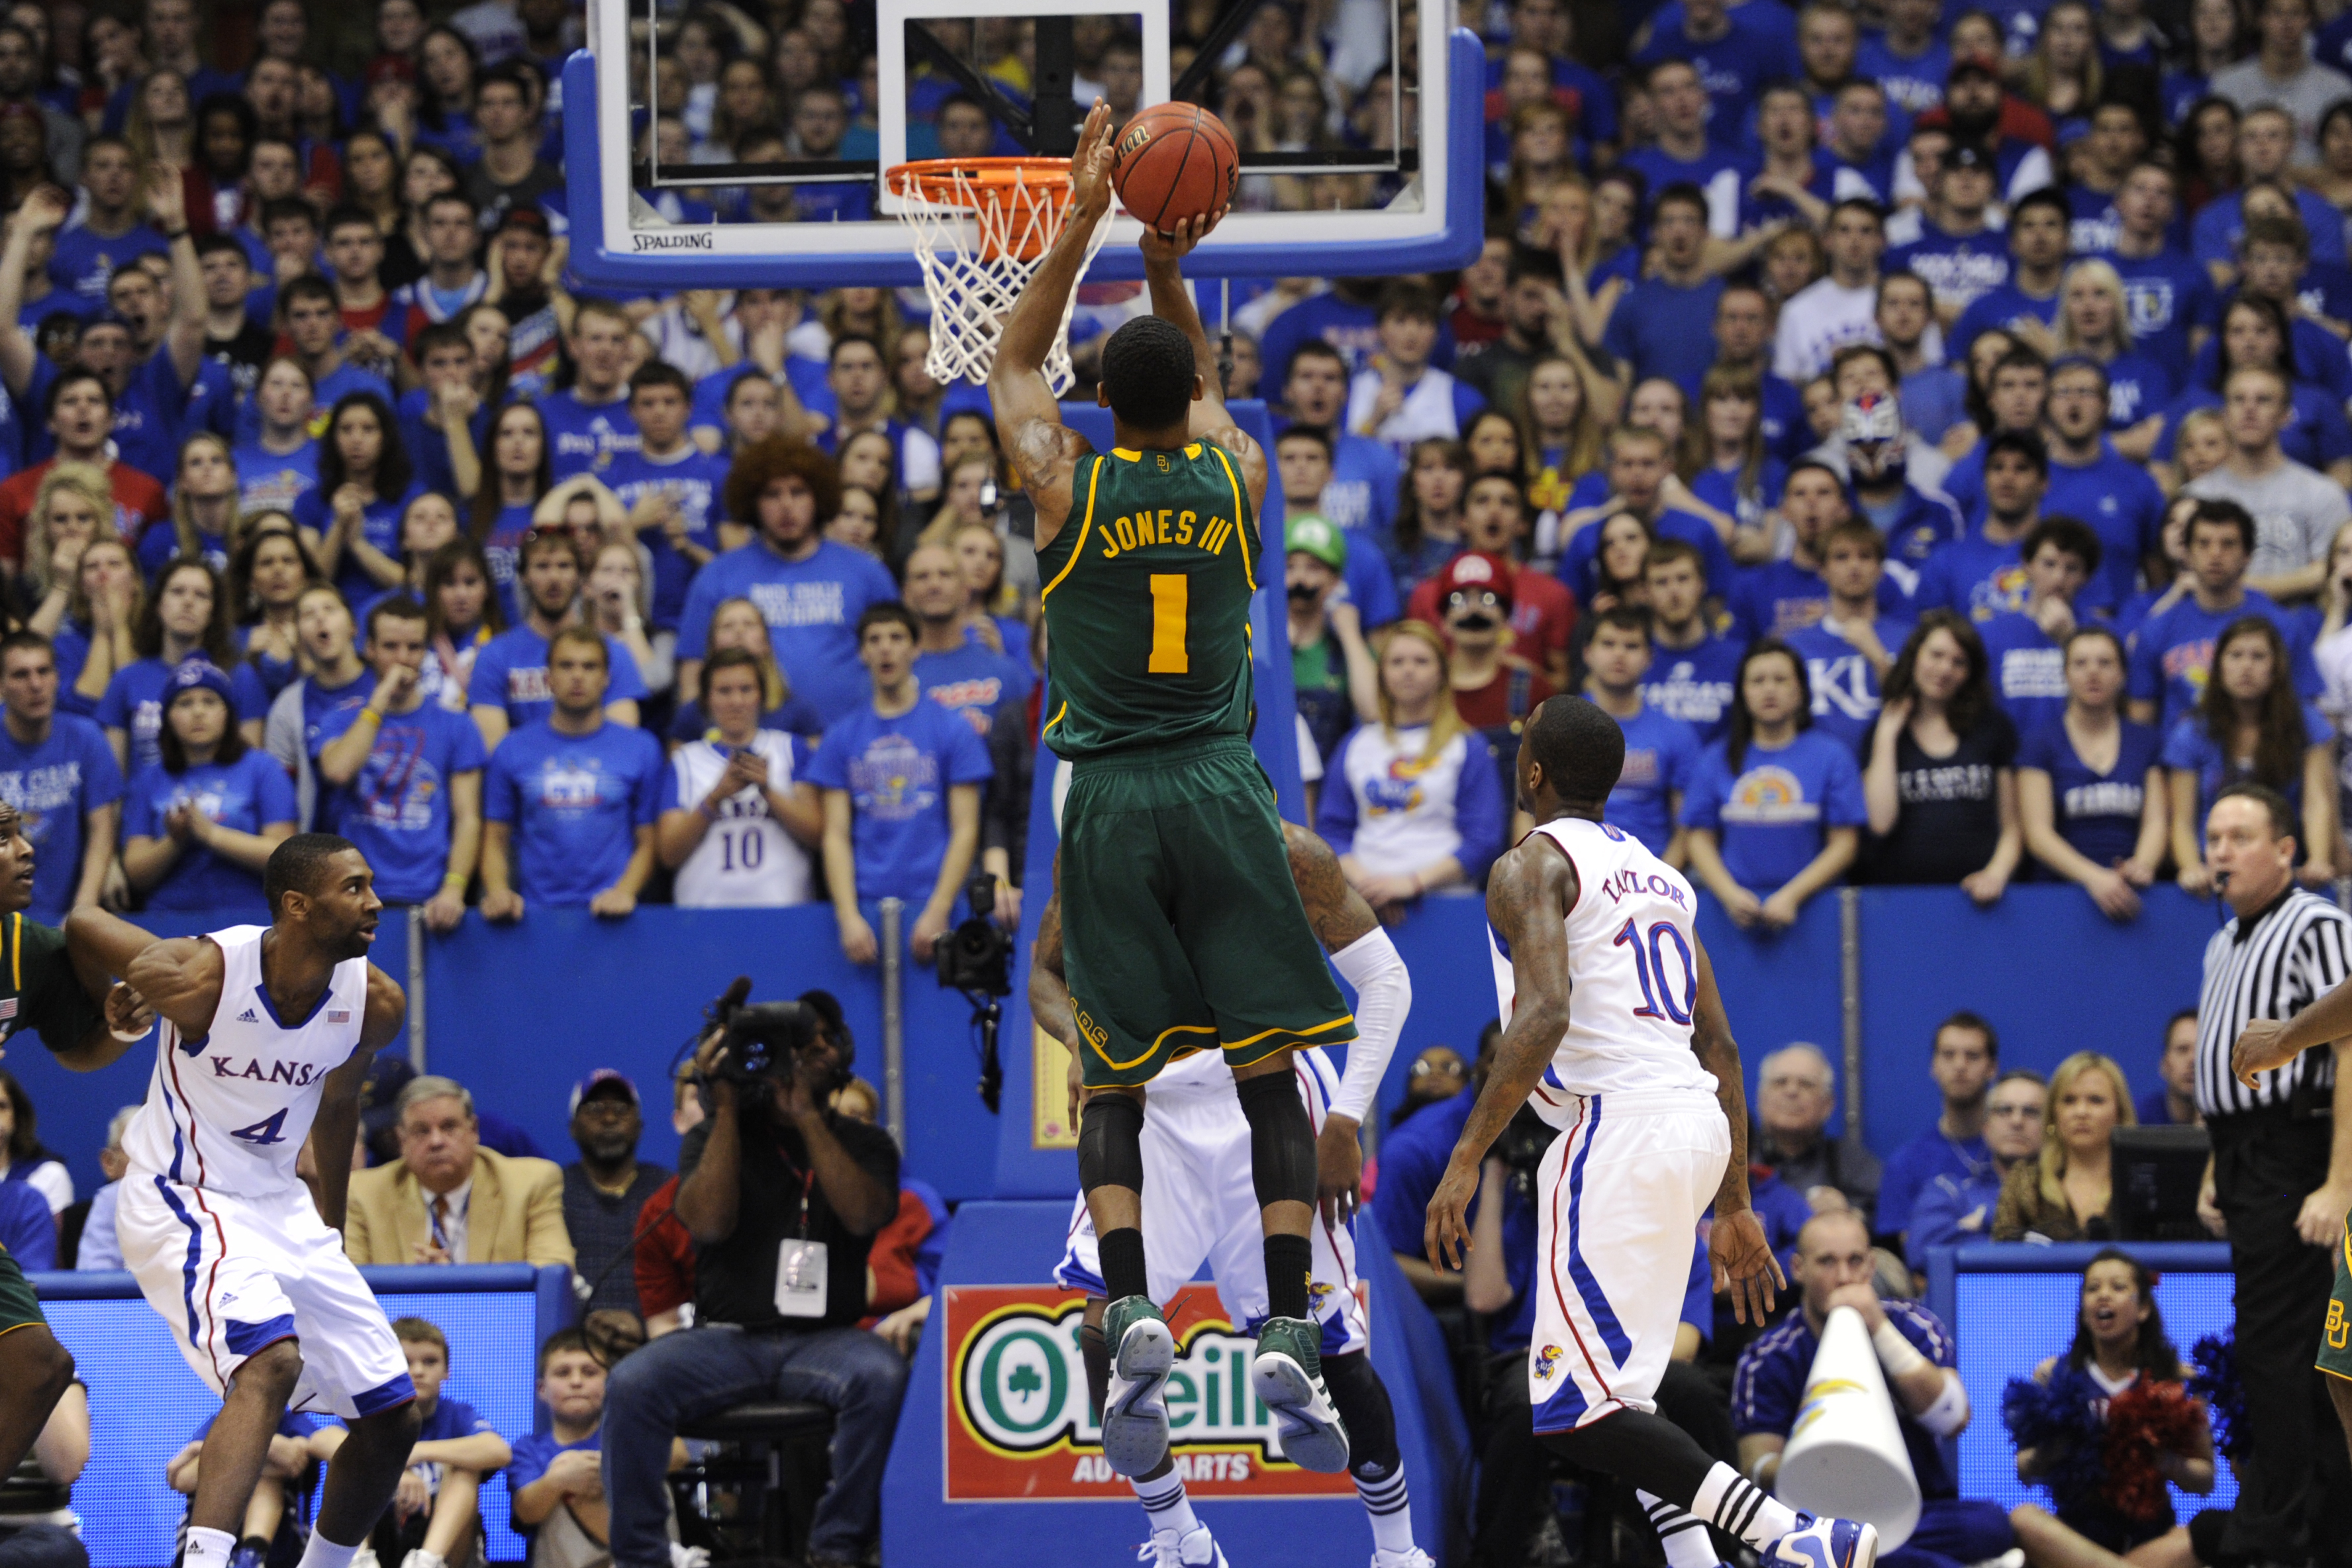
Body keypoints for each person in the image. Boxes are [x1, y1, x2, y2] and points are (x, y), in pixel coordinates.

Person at [986, 105, 1373, 1482]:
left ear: (1100, 405)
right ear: (1195, 401)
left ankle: (1132, 1296)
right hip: (1220, 782)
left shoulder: (1064, 488)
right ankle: (1286, 1322)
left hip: (1107, 794)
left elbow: (1013, 357)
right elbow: (1196, 383)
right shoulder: (1238, 476)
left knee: (1113, 1065)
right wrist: (1165, 263)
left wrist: (1080, 218)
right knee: (1265, 1067)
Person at [1423, 695, 1876, 1568]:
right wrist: (1733, 1201)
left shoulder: (1530, 863)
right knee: (1627, 1396)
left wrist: (1467, 1156)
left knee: (1572, 1409)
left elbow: (1545, 1012)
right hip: (1692, 1125)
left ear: (1533, 772)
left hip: (1613, 1131)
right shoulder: (1664, 878)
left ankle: (1790, 1535)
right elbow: (1722, 1046)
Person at [1036, 822, 1420, 1568]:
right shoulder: (1093, 834)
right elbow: (1044, 976)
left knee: (1331, 1351)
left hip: (1269, 1096)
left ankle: (1398, 1552)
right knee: (1102, 1330)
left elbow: (1388, 979)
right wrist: (1080, 1042)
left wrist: (1346, 1120)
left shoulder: (1288, 850)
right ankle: (1179, 1534)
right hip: (1147, 1099)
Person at [107, 834, 418, 1568]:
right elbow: (89, 922)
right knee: (270, 1362)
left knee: (393, 1417)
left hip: (279, 1203)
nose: (376, 902)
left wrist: (331, 1227)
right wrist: (119, 992)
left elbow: (337, 1108)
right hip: (184, 1190)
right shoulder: (210, 972)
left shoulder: (374, 1002)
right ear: (297, 905)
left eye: (372, 885)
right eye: (354, 887)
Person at [600, 987, 905, 1568]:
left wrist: (808, 1118)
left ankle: (836, 1547)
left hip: (827, 1340)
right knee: (632, 1384)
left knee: (883, 1376)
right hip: (727, 1340)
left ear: (841, 1054)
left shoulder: (865, 1142)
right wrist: (726, 1109)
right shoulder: (714, 1137)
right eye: (795, 1048)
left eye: (818, 1046)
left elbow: (864, 1215)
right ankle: (640, 1558)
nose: (803, 1059)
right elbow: (708, 1223)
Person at [2207, 782, 2352, 1555]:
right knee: (2280, 1349)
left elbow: (2350, 1044)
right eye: (2212, 838)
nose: (2220, 852)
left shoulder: (2315, 923)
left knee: (2294, 1351)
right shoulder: (2222, 941)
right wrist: (2215, 1161)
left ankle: (2285, 1533)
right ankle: (2305, 1528)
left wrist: (2340, 1181)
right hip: (2243, 1149)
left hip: (2299, 1150)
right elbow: (2225, 1069)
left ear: (2288, 849)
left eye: (2240, 836)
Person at [0, 808, 155, 1521]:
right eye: (2, 838)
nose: (25, 849)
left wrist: (121, 1027)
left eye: (20, 832)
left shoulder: (24, 948)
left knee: (41, 1367)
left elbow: (79, 1048)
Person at [1735, 1210, 2014, 1568]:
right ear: (1798, 1269)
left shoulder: (1913, 1326)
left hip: (1912, 1511)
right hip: (1815, 1518)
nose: (1843, 1277)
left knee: (1990, 1525)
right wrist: (1831, 1464)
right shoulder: (1768, 1357)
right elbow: (1756, 1467)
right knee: (1780, 1540)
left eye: (1855, 1261)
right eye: (1827, 1262)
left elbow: (1954, 1419)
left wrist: (1879, 1328)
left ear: (1870, 1266)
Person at [803, 603, 989, 964]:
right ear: (863, 653)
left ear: (915, 648)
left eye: (896, 638)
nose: (885, 648)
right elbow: (835, 835)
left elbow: (966, 828)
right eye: (874, 640)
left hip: (937, 903)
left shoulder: (953, 729)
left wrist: (939, 908)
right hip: (865, 907)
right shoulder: (841, 736)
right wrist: (847, 916)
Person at [675, 438, 897, 726]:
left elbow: (900, 657)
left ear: (819, 497)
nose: (787, 506)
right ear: (753, 501)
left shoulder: (867, 572)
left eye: (798, 492)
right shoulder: (718, 576)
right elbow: (693, 672)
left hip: (852, 736)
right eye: (772, 494)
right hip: (748, 740)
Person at [311, 599, 485, 933]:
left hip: (428, 896)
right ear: (370, 649)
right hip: (353, 897)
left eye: (414, 647)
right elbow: (338, 770)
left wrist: (454, 888)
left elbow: (468, 819)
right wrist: (380, 699)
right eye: (391, 646)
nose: (403, 658)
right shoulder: (340, 719)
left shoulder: (457, 726)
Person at [1315, 620, 1506, 920]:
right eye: (1397, 662)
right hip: (1365, 907)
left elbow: (1484, 840)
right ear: (1382, 673)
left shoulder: (1468, 746)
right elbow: (1331, 830)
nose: (1408, 670)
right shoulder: (1355, 744)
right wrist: (1369, 886)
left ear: (1442, 672)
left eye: (1421, 661)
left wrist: (1412, 884)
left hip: (1446, 905)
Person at [1683, 640, 1867, 931]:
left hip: (1815, 911)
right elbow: (1698, 838)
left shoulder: (1832, 757)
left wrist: (1793, 896)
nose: (1769, 689)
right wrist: (1730, 895)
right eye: (1758, 681)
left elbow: (1844, 843)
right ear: (1743, 692)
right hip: (1731, 914)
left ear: (1800, 691)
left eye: (1781, 680)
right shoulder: (1715, 759)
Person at [479, 628, 662, 919]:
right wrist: (498, 891)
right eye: (566, 666)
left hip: (615, 917)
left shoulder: (642, 749)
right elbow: (495, 840)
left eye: (589, 666)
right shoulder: (511, 749)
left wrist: (624, 892)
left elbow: (649, 842)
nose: (578, 676)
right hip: (534, 918)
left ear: (606, 678)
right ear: (549, 678)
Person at [309, 1317, 512, 1568]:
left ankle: (427, 1562)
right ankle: (358, 1561)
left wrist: (415, 1452)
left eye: (430, 1362)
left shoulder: (457, 1414)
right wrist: (394, 1470)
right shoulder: (371, 1415)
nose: (418, 1371)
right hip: (378, 1540)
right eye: (405, 1362)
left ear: (447, 1371)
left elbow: (498, 1451)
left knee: (465, 1468)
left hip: (445, 1549)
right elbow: (320, 1441)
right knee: (351, 1460)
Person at [2165, 615, 2337, 893]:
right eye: (2235, 655)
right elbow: (2182, 820)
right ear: (2219, 666)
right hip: (2216, 875)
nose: (2246, 666)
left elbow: (2316, 802)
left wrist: (2318, 860)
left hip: (2284, 871)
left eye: (2258, 657)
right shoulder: (2192, 730)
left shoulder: (2306, 722)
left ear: (2276, 668)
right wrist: (2191, 867)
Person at [1861, 612, 2023, 898]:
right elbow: (1880, 823)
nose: (1945, 669)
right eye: (1936, 655)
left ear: (1970, 672)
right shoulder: (1882, 732)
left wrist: (1996, 874)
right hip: (1900, 902)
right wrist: (1887, 734)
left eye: (1959, 662)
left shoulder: (1992, 728)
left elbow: (2012, 827)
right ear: (1915, 656)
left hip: (1980, 900)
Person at [121, 658, 299, 918]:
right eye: (185, 703)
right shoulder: (149, 779)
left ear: (228, 713)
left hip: (250, 917)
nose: (198, 712)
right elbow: (136, 875)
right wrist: (175, 840)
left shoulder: (263, 768)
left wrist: (211, 835)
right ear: (167, 717)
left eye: (210, 701)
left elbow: (285, 858)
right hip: (167, 920)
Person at [344, 1075, 572, 1269]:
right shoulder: (364, 1194)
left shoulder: (529, 1185)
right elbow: (348, 1283)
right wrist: (415, 1285)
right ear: (402, 1141)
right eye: (421, 1131)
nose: (436, 1141)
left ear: (474, 1130)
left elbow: (553, 1272)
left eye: (449, 1127)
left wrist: (453, 1284)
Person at [2018, 628, 2169, 918]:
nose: (2093, 672)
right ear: (2065, 674)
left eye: (2105, 663)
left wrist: (2142, 865)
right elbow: (2038, 834)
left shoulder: (2146, 741)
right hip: (2058, 897)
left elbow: (2156, 821)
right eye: (2080, 663)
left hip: (2133, 893)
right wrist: (2094, 879)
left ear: (2123, 675)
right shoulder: (2039, 742)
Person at [654, 647, 820, 908]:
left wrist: (768, 791)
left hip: (784, 908)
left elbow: (817, 834)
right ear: (707, 699)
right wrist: (715, 798)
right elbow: (669, 854)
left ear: (761, 695)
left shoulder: (791, 749)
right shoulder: (685, 760)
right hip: (705, 912)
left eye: (746, 689)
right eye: (724, 691)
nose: (736, 701)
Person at [2129, 499, 2316, 729]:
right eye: (2204, 543)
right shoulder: (2156, 630)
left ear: (2247, 556)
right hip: (2183, 750)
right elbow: (2140, 726)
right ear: (2188, 553)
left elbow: (2309, 719)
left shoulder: (2283, 627)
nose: (2215, 554)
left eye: (2228, 544)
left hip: (2265, 748)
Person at [2181, 366, 2352, 603]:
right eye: (2239, 400)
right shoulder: (2193, 498)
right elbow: (2182, 573)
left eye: (2263, 400)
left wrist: (2237, 588)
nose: (2249, 409)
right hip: (2214, 623)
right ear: (2225, 415)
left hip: (2299, 619)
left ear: (2286, 415)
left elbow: (2336, 567)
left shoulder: (2323, 493)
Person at [467, 532, 646, 750]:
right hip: (523, 770)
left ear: (580, 577)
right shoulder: (495, 655)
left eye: (564, 566)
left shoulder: (613, 652)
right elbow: (494, 751)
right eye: (542, 566)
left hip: (599, 769)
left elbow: (622, 746)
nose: (554, 577)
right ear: (524, 577)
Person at [0, 632, 120, 924]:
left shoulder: (87, 738)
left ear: (57, 677)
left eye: (44, 671)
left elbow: (101, 832)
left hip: (67, 913)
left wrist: (81, 914)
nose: (35, 685)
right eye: (21, 675)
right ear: (2, 685)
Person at [1587, 606, 1699, 861]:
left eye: (1632, 646)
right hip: (1574, 870)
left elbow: (1686, 828)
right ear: (1587, 653)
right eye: (1608, 644)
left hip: (1652, 867)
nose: (1619, 654)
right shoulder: (1558, 726)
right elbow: (1529, 814)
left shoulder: (1677, 733)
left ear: (1649, 658)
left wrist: (1658, 878)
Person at [1879, 1014, 2000, 1245]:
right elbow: (1915, 1254)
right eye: (1949, 1055)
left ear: (1992, 1068)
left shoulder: (2014, 1152)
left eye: (1972, 1056)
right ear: (1934, 1066)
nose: (1960, 1065)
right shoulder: (1905, 1164)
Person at [1907, 1069, 2047, 1267]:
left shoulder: (2065, 1195)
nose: (2017, 1121)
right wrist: (2029, 1241)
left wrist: (1981, 1222)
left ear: (2051, 1127)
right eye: (2004, 1110)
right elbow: (1922, 1254)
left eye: (2031, 1112)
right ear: (1986, 1128)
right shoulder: (1949, 1191)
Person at [560, 1072, 670, 1318]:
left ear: (639, 1126)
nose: (609, 1118)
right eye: (595, 1109)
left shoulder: (667, 1190)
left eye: (621, 1109)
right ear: (573, 1128)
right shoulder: (554, 1192)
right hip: (574, 1333)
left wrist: (642, 1326)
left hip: (657, 1332)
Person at [1992, 1051, 2133, 1240]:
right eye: (2069, 1101)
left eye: (2095, 1100)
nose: (2081, 1112)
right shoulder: (2025, 1181)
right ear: (2053, 1114)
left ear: (2120, 1113)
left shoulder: (2139, 1182)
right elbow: (2001, 1252)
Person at [1753, 1042, 1884, 1218]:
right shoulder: (1735, 1161)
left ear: (1828, 1104)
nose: (1792, 1091)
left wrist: (1848, 1214)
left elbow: (1886, 1217)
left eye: (1806, 1084)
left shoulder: (1852, 1164)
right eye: (1780, 1082)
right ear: (1761, 1099)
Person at [2141, 1010, 2202, 1126]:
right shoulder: (2139, 1121)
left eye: (2201, 1050)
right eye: (2183, 1049)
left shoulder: (2233, 1124)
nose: (2193, 1060)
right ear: (2164, 1064)